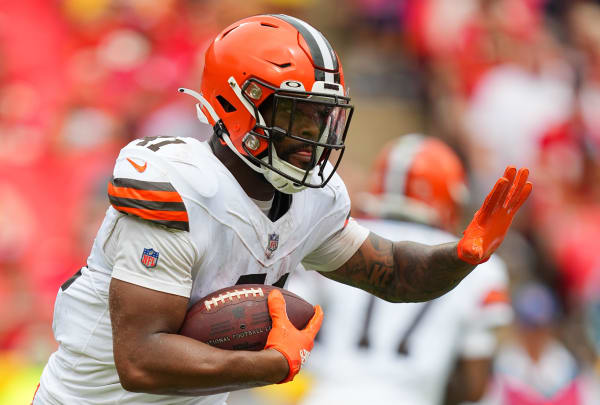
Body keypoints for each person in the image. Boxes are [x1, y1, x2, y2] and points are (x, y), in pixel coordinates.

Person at [33, 15, 532, 405]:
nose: (314, 137)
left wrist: (461, 257)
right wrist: (274, 364)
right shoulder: (178, 185)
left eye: (323, 118)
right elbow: (139, 359)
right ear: (238, 103)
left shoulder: (310, 200)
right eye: (299, 115)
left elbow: (396, 274)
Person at [287, 134, 513, 405]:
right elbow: (473, 386)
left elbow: (290, 317)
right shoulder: (479, 269)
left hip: (327, 395)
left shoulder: (338, 236)